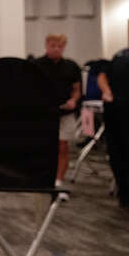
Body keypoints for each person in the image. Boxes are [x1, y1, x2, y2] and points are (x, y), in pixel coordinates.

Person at [33, 34, 81, 199]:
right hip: (44, 114)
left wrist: (73, 100)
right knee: (45, 147)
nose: (56, 48)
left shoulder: (71, 66)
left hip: (65, 114)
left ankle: (58, 181)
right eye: (53, 45)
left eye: (60, 46)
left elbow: (76, 89)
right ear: (46, 45)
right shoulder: (37, 65)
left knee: (63, 147)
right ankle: (44, 179)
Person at [98, 48, 129, 210]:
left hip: (116, 110)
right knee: (117, 154)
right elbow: (102, 75)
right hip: (116, 112)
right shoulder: (120, 55)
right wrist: (107, 92)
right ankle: (124, 193)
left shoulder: (120, 56)